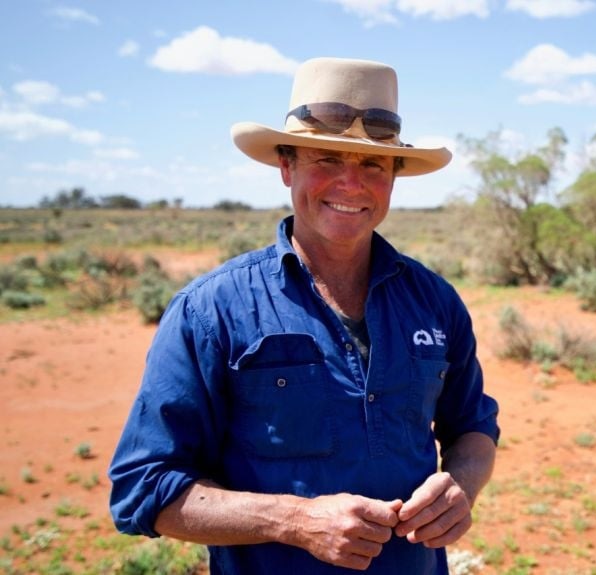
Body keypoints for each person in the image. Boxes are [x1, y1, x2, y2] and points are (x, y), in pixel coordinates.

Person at [108, 57, 500, 574]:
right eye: (327, 159)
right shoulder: (211, 311)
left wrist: (462, 487)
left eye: (372, 165)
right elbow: (145, 487)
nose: (350, 184)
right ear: (286, 166)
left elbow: (472, 426)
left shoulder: (435, 301)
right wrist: (291, 521)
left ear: (395, 177)